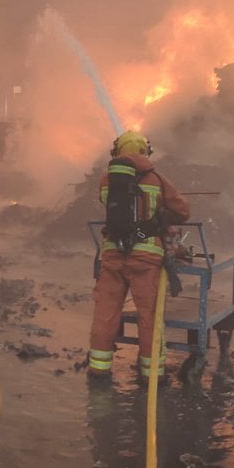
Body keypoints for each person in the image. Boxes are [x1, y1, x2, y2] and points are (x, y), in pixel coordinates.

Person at [88, 129, 190, 380]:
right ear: (146, 152)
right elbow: (183, 211)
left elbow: (110, 209)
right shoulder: (156, 179)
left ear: (117, 152)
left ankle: (99, 370)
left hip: (113, 255)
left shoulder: (107, 181)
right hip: (146, 258)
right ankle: (151, 374)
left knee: (105, 314)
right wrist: (161, 214)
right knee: (150, 317)